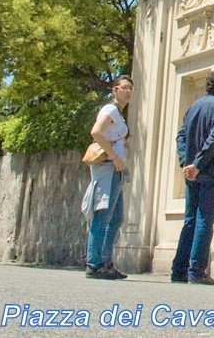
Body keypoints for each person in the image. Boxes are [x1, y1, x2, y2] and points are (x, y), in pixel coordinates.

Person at [171, 70, 214, 285]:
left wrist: (185, 163)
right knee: (204, 221)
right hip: (212, 171)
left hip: (193, 173)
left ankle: (179, 269)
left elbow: (181, 136)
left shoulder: (194, 106)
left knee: (190, 220)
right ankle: (197, 270)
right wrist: (197, 165)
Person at [83, 76, 134, 280]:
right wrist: (114, 157)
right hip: (108, 167)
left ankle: (105, 261)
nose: (128, 91)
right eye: (125, 88)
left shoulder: (119, 113)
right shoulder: (110, 109)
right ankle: (94, 263)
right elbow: (96, 131)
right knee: (103, 215)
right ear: (115, 89)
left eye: (131, 88)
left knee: (116, 217)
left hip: (116, 169)